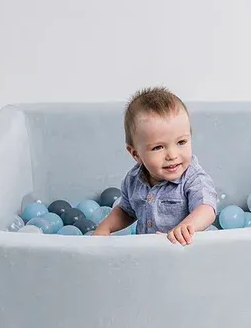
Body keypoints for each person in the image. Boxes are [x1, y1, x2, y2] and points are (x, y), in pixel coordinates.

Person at [93, 86, 217, 245]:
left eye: (181, 142)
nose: (172, 155)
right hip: (149, 253)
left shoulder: (193, 178)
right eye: (158, 147)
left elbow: (206, 208)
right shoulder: (133, 180)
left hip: (186, 251)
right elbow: (126, 210)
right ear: (136, 154)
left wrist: (186, 227)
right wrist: (106, 227)